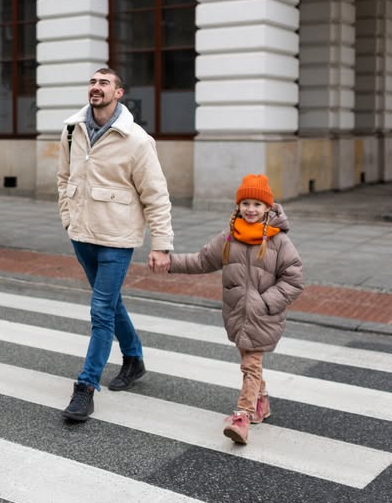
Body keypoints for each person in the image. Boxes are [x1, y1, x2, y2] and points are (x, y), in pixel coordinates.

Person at [57, 68, 174, 422]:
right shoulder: (71, 129)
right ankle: (134, 358)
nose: (96, 87)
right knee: (110, 304)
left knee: (100, 311)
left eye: (104, 83)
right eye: (93, 82)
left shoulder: (137, 140)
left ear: (118, 92)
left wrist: (162, 243)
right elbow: (64, 178)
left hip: (116, 239)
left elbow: (156, 194)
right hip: (82, 236)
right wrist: (67, 217)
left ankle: (86, 387)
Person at [165, 174, 304, 444]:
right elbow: (202, 260)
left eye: (257, 204)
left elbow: (294, 280)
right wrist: (169, 263)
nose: (251, 209)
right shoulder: (230, 237)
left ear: (268, 208)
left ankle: (242, 417)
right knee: (249, 363)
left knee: (250, 366)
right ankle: (261, 404)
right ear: (238, 206)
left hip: (262, 316)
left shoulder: (279, 242)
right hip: (236, 315)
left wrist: (265, 302)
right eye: (246, 203)